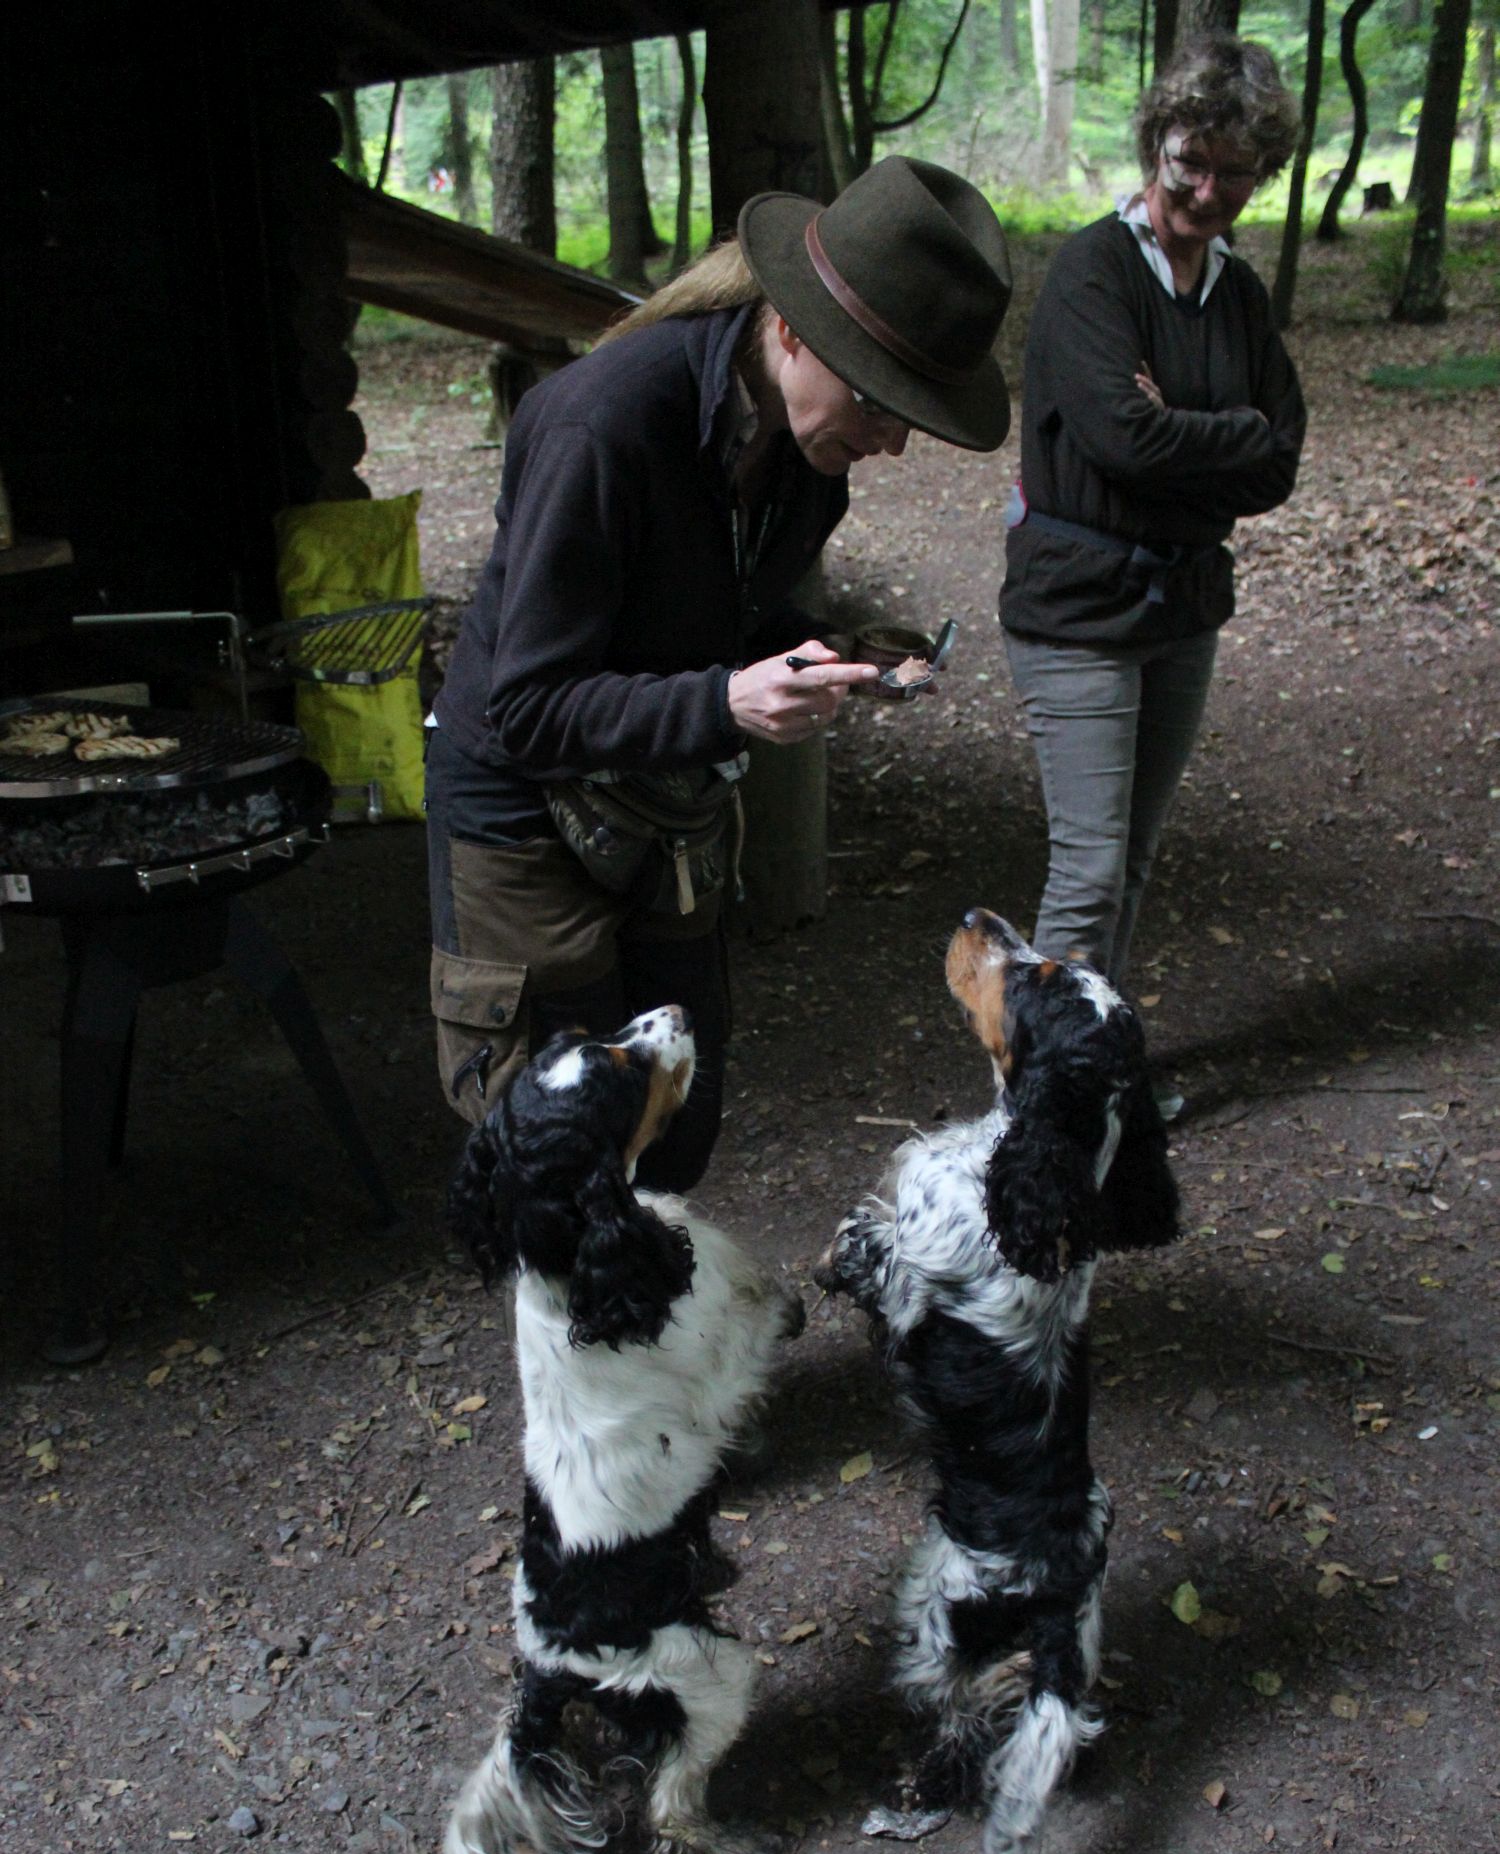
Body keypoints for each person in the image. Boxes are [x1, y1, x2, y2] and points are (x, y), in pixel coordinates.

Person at [426, 155, 1013, 1193]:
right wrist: (723, 700)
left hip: (658, 801)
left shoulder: (809, 459)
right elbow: (527, 706)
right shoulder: (603, 424)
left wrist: (833, 651)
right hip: (523, 803)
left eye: (913, 414)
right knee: (563, 1161)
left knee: (680, 1124)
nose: (891, 442)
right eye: (881, 400)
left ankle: (658, 1291)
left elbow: (718, 612)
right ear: (792, 330)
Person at [1001, 32, 1306, 993]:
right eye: (1191, 163)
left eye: (1236, 173)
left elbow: (1280, 460)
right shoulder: (1092, 274)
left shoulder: (1237, 293)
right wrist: (1233, 430)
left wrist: (1189, 431)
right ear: (1155, 145)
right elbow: (1123, 441)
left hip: (1183, 605)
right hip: (1080, 608)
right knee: (1088, 871)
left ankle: (1100, 1056)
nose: (1208, 192)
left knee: (1131, 860)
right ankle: (1045, 1077)